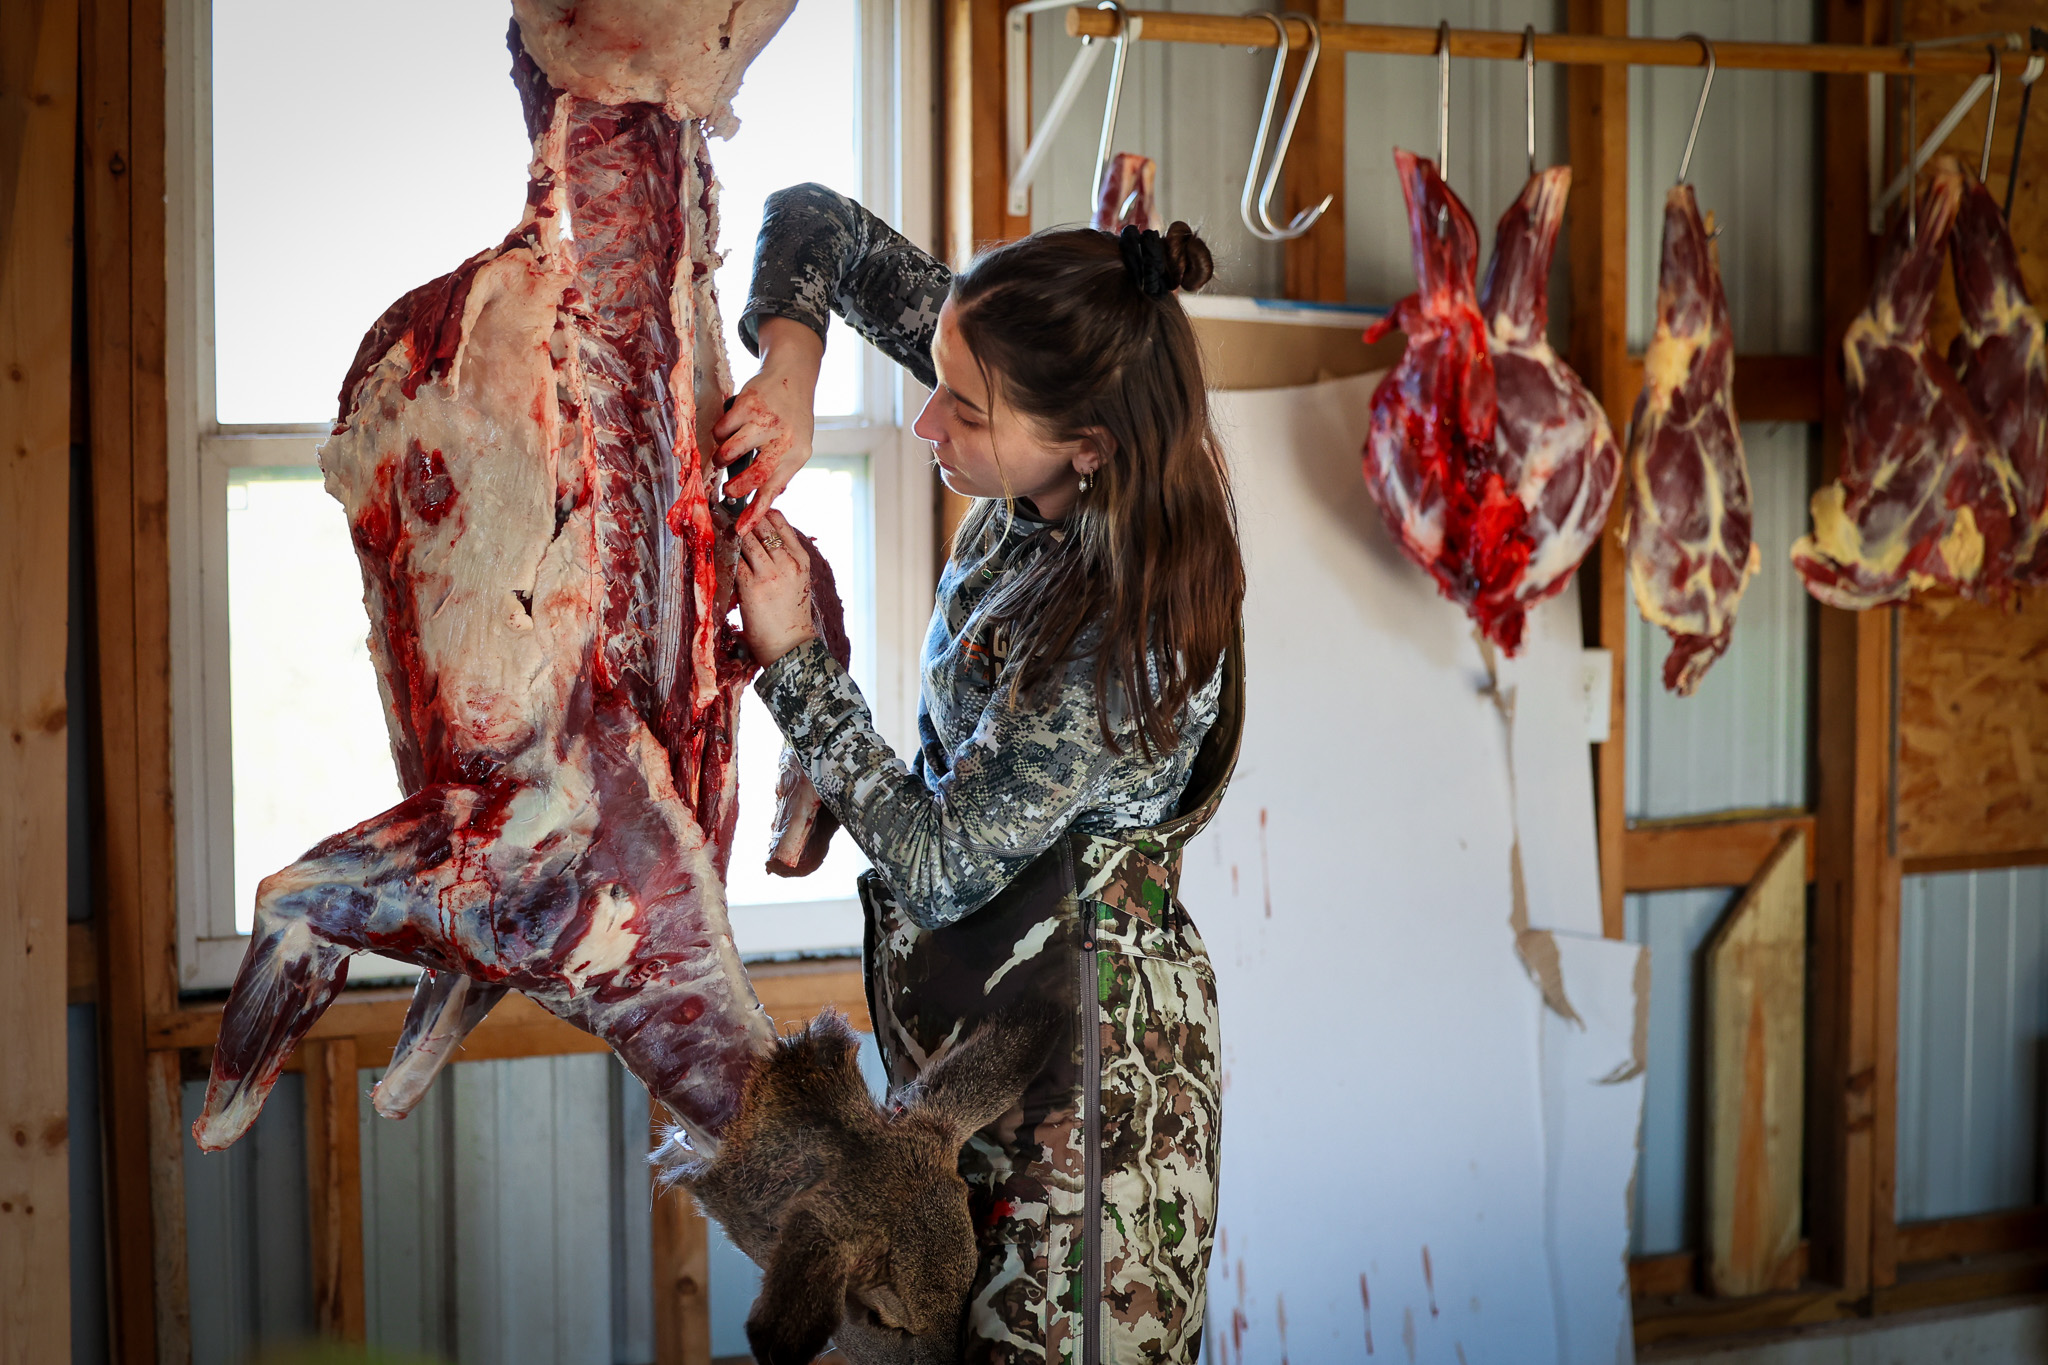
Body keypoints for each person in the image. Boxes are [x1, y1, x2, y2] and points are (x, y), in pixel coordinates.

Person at [719, 183, 1245, 1365]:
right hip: (984, 1057)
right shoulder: (1016, 362)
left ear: (1087, 447)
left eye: (961, 412)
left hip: (1093, 1107)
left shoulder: (1135, 627)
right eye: (936, 379)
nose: (923, 424)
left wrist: (795, 660)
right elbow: (818, 223)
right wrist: (791, 377)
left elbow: (946, 861)